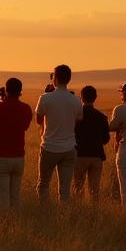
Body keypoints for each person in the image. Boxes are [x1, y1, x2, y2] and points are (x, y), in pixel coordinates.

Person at [34, 64, 83, 203]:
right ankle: (64, 214)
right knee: (65, 188)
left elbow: (38, 120)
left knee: (43, 184)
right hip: (69, 148)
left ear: (54, 78)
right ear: (68, 79)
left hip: (49, 146)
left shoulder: (45, 98)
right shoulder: (76, 100)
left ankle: (44, 213)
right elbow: (79, 118)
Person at [0, 77, 33, 211]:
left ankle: (5, 226)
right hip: (18, 157)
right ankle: (16, 222)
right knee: (15, 196)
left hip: (1, 156)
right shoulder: (26, 108)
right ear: (20, 91)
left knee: (2, 197)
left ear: (6, 90)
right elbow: (25, 127)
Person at [73, 85, 110, 200]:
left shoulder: (76, 116)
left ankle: (79, 212)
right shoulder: (102, 117)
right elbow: (106, 139)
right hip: (96, 156)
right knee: (94, 189)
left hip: (80, 155)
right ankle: (95, 213)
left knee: (77, 188)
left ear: (81, 98)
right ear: (95, 97)